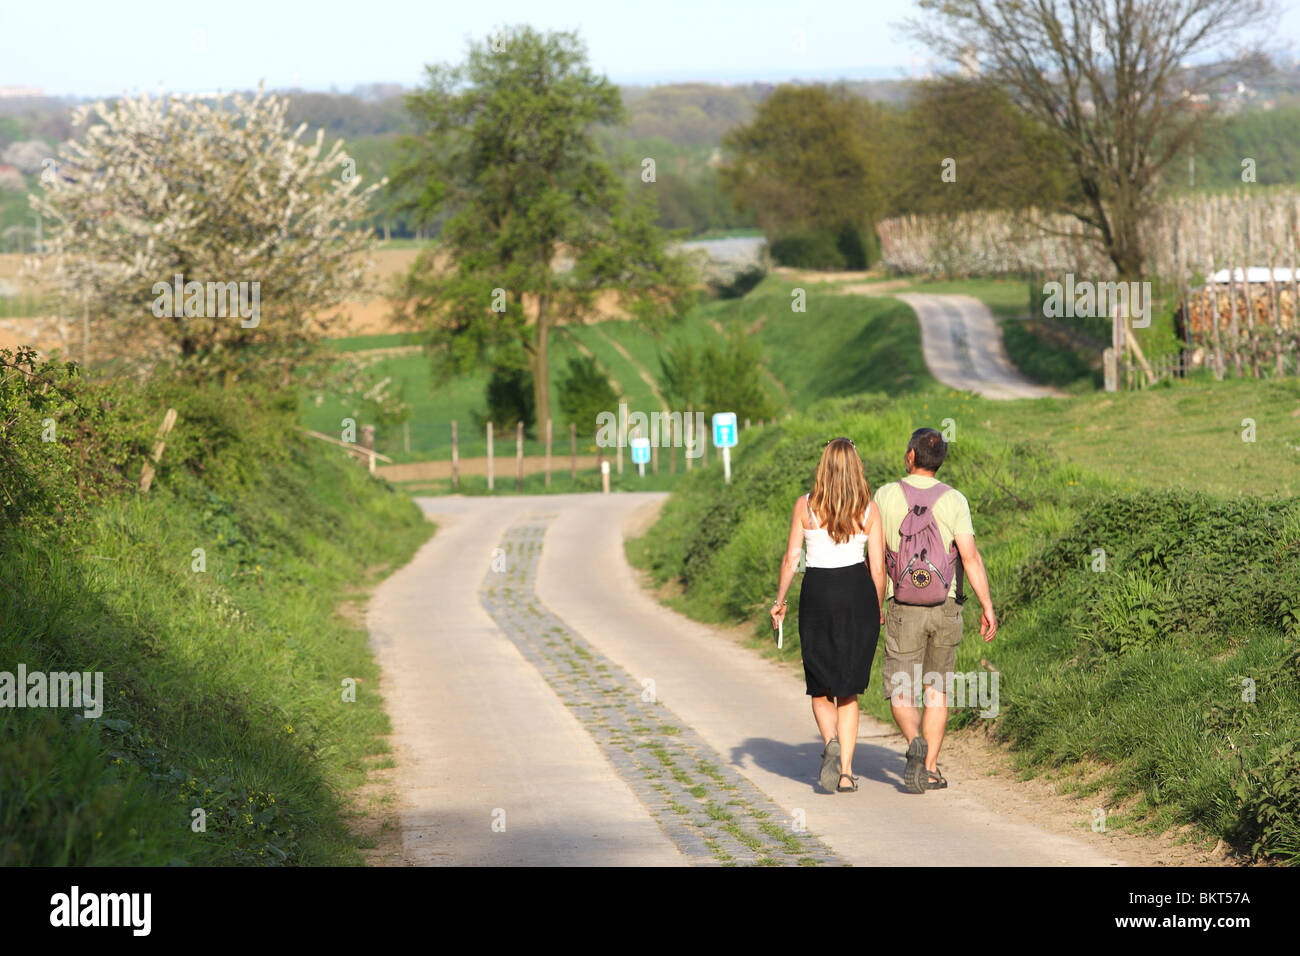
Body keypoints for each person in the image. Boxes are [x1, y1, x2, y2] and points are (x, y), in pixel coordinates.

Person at [874, 427, 997, 794]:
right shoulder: (955, 500)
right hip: (946, 606)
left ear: (910, 456)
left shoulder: (885, 495)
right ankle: (928, 769)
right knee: (937, 690)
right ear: (940, 461)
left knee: (901, 688)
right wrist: (988, 605)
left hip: (902, 606)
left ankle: (914, 740)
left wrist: (874, 602)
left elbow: (875, 560)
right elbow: (970, 556)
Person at [770, 437, 886, 794]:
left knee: (819, 685)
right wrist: (878, 608)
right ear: (856, 467)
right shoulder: (869, 508)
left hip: (817, 592)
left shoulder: (804, 505)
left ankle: (829, 742)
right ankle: (847, 772)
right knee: (848, 690)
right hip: (857, 592)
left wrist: (780, 599)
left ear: (823, 466)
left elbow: (792, 559)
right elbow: (878, 567)